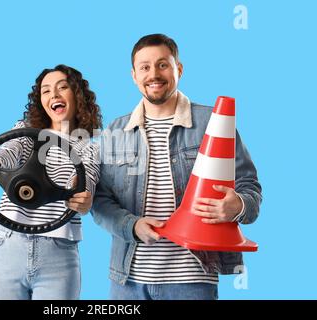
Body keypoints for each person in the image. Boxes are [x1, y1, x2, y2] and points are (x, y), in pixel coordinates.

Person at [91, 34, 262, 300]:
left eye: (163, 65)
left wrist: (238, 205)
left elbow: (249, 186)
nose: (154, 74)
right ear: (134, 75)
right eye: (145, 67)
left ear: (178, 69)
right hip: (128, 283)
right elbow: (100, 200)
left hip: (192, 280)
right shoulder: (116, 130)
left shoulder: (211, 123)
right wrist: (131, 226)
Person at [0, 64, 102, 300]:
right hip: (6, 245)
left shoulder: (91, 145)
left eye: (62, 88)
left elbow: (86, 178)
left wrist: (80, 194)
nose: (54, 96)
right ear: (40, 100)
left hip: (59, 252)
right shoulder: (26, 132)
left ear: (77, 95)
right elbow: (8, 153)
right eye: (46, 91)